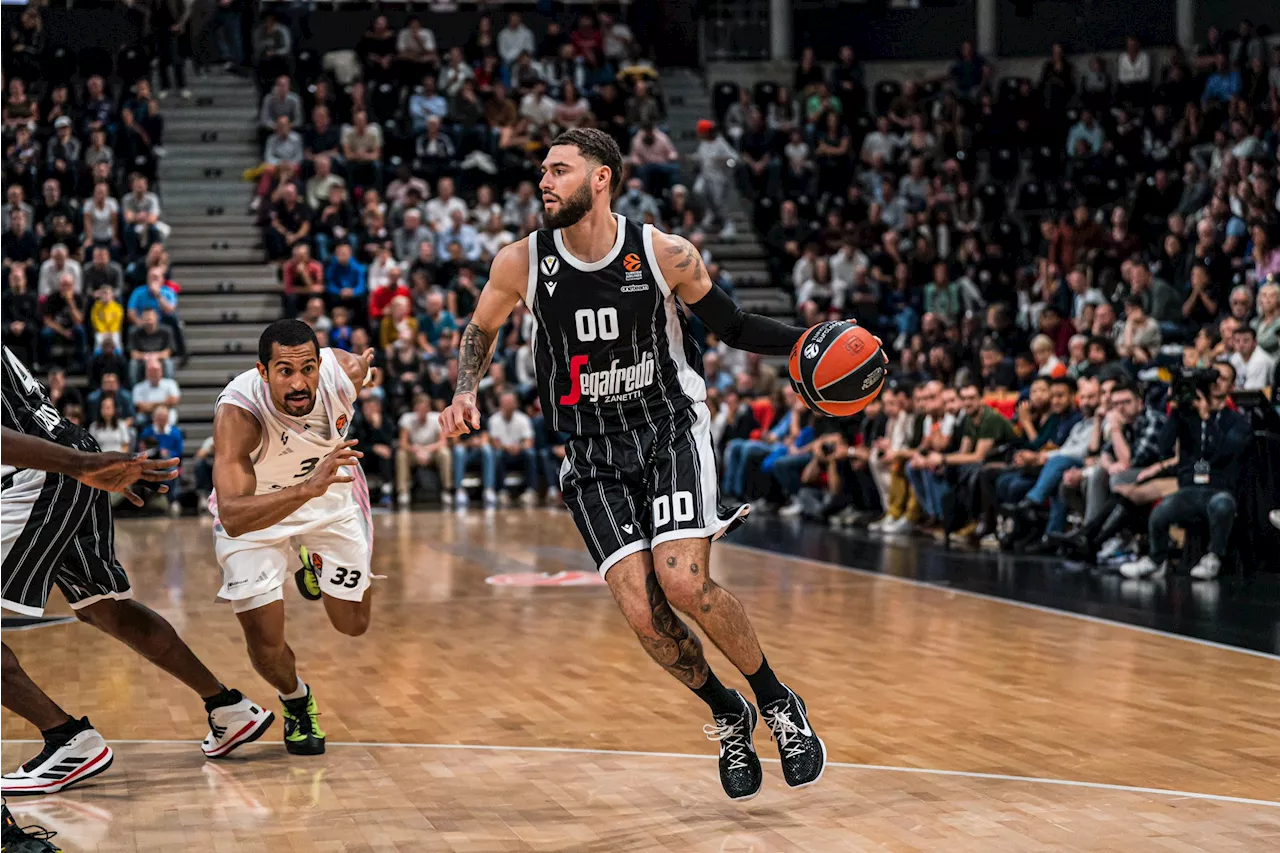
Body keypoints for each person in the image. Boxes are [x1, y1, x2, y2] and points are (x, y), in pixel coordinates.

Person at [438, 128, 826, 800]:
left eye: (559, 170)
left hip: (667, 429)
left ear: (601, 178)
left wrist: (810, 344)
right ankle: (727, 711)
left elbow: (730, 326)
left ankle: (777, 701)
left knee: (683, 584)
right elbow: (482, 328)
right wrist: (464, 388)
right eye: (542, 171)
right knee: (645, 616)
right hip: (590, 452)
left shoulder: (663, 253)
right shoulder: (521, 262)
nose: (544, 181)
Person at [0, 343, 271, 796]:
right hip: (63, 457)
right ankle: (228, 707)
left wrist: (82, 465)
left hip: (40, 473)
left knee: (106, 606)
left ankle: (68, 740)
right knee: (106, 607)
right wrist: (81, 462)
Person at [210, 321, 378, 757]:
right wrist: (305, 489)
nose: (299, 382)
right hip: (257, 514)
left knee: (353, 625)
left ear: (321, 365)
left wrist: (366, 369)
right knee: (264, 640)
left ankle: (313, 563)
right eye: (285, 371)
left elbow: (361, 368)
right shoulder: (239, 415)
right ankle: (296, 700)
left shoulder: (344, 374)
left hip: (330, 502)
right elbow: (232, 516)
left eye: (307, 368)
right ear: (263, 372)